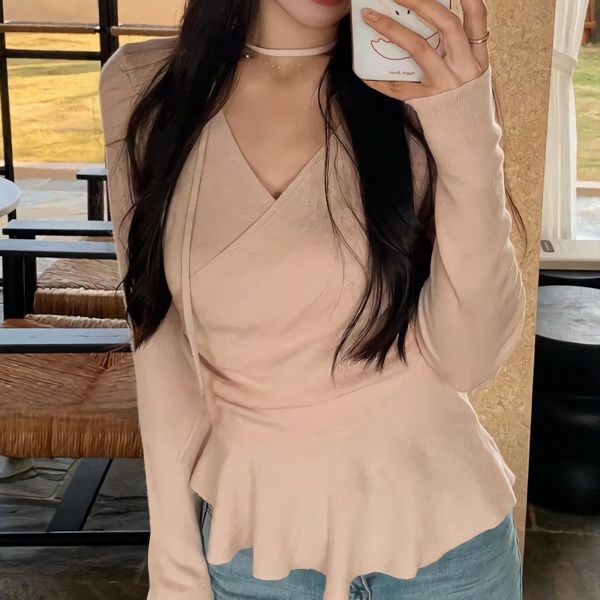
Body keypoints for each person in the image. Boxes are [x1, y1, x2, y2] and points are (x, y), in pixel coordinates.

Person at [99, 1, 526, 599]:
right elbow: (160, 347)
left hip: (450, 555)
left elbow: (470, 360)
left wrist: (466, 125)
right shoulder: (143, 85)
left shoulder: (419, 76)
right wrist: (175, 570)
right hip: (257, 556)